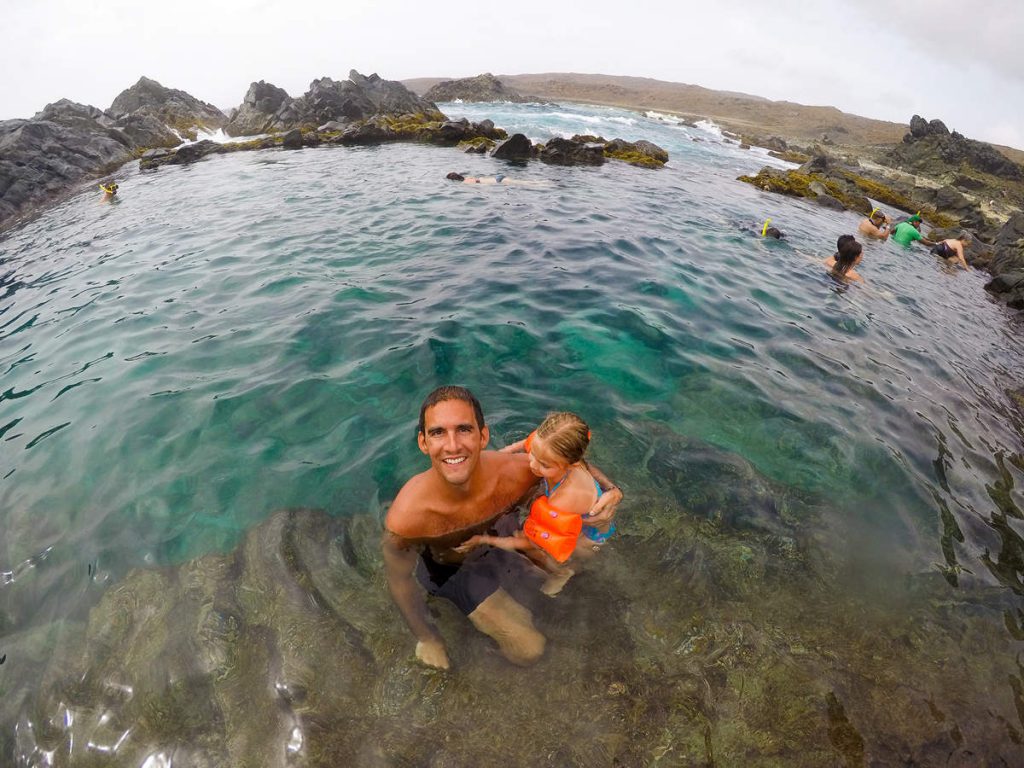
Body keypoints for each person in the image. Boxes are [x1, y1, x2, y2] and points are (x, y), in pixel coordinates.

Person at [382, 386, 622, 670]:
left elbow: (570, 464)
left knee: (586, 558)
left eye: (464, 430)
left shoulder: (516, 473)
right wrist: (427, 637)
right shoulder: (409, 516)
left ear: (483, 436)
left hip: (505, 541)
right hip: (455, 570)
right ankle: (485, 647)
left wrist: (611, 491)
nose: (452, 445)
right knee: (530, 649)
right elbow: (399, 579)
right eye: (437, 433)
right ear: (423, 443)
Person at [456, 412, 613, 596]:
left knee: (533, 554)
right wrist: (496, 458)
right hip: (576, 512)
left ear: (571, 463)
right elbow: (525, 443)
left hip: (588, 537)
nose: (533, 465)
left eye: (544, 465)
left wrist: (483, 540)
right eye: (533, 455)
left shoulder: (563, 499)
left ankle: (561, 573)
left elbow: (529, 543)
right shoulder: (548, 444)